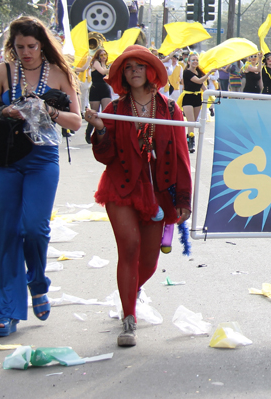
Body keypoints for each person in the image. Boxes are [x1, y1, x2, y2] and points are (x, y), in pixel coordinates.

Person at [0, 16, 82, 337]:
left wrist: (51, 111)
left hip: (42, 160)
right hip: (6, 159)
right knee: (6, 233)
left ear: (42, 45)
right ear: (12, 45)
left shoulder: (60, 73)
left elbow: (76, 121)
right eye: (20, 46)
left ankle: (37, 283)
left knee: (34, 229)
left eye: (32, 46)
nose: (26, 52)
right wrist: (4, 111)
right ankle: (6, 311)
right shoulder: (2, 72)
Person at [84, 45, 191, 347]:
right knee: (129, 247)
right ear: (122, 74)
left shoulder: (170, 109)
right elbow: (105, 157)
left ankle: (130, 291)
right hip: (121, 186)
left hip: (158, 191)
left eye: (139, 66)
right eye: (128, 67)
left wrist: (183, 199)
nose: (134, 71)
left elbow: (182, 156)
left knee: (150, 261)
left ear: (150, 71)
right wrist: (100, 131)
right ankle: (128, 318)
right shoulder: (114, 109)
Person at [182, 54, 211, 153]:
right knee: (190, 121)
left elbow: (202, 85)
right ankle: (191, 142)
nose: (195, 61)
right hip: (188, 97)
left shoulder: (198, 72)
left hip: (197, 98)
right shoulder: (187, 72)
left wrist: (210, 94)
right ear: (189, 62)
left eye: (197, 60)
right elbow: (198, 81)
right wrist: (209, 73)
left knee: (194, 122)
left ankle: (188, 138)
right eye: (193, 60)